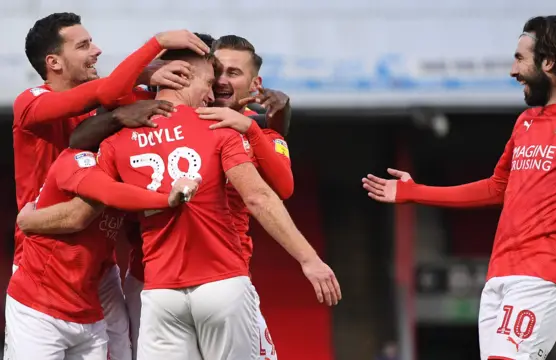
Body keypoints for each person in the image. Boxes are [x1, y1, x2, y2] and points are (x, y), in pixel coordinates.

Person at [363, 15, 556, 360]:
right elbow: (498, 188)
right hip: (499, 276)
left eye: (521, 58)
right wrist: (414, 192)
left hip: (546, 274)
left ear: (549, 62)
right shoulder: (526, 122)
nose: (513, 70)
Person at [94, 45, 339, 359]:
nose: (213, 92)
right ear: (182, 76)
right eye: (210, 81)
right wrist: (309, 259)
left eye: (230, 75)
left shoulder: (119, 139)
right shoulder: (219, 130)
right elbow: (260, 197)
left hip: (158, 290)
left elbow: (96, 191)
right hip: (220, 282)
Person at [11, 11, 210, 360]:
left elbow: (139, 97)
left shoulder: (107, 103)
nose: (97, 51)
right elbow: (108, 90)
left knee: (123, 353)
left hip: (100, 263)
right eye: (84, 45)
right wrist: (157, 44)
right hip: (44, 257)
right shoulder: (32, 102)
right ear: (53, 62)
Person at [122, 34, 295, 359]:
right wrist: (149, 71)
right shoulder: (154, 109)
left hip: (223, 282)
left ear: (255, 83)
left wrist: (271, 121)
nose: (222, 80)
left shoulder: (257, 133)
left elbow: (281, 187)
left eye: (233, 73)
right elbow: (110, 91)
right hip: (152, 283)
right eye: (216, 71)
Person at [5, 146, 199, 360]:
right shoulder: (75, 161)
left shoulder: (134, 174)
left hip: (88, 307)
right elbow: (81, 214)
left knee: (123, 352)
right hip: (39, 306)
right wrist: (167, 199)